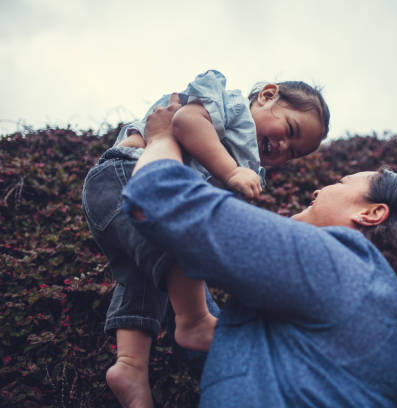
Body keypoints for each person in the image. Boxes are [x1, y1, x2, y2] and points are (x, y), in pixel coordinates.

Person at [118, 98, 397, 407]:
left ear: (371, 213)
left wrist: (159, 138)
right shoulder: (371, 306)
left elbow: (158, 198)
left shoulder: (344, 267)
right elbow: (212, 332)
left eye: (341, 181)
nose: (317, 189)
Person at [82, 71, 329, 408]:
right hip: (125, 174)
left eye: (294, 152)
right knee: (183, 233)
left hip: (112, 200)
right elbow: (185, 122)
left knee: (140, 280)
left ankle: (130, 367)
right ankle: (194, 320)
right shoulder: (228, 104)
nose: (283, 148)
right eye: (290, 130)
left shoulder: (251, 169)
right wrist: (230, 172)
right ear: (268, 95)